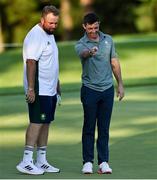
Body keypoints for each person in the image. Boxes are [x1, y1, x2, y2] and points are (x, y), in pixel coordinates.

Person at [75, 13, 124, 174]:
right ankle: (87, 162)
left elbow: (114, 62)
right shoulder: (81, 43)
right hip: (90, 90)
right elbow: (82, 54)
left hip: (107, 90)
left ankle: (103, 162)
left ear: (99, 24)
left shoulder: (108, 40)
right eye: (90, 28)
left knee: (104, 128)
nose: (93, 31)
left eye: (96, 27)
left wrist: (120, 84)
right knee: (89, 127)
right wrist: (90, 52)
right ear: (84, 27)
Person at [16, 5, 61, 175]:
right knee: (37, 121)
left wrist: (57, 83)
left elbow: (50, 62)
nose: (53, 26)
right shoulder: (35, 36)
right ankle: (26, 160)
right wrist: (31, 89)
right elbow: (31, 62)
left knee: (45, 122)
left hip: (50, 90)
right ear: (42, 20)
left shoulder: (49, 35)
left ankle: (41, 160)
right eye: (50, 23)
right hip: (39, 90)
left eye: (56, 23)